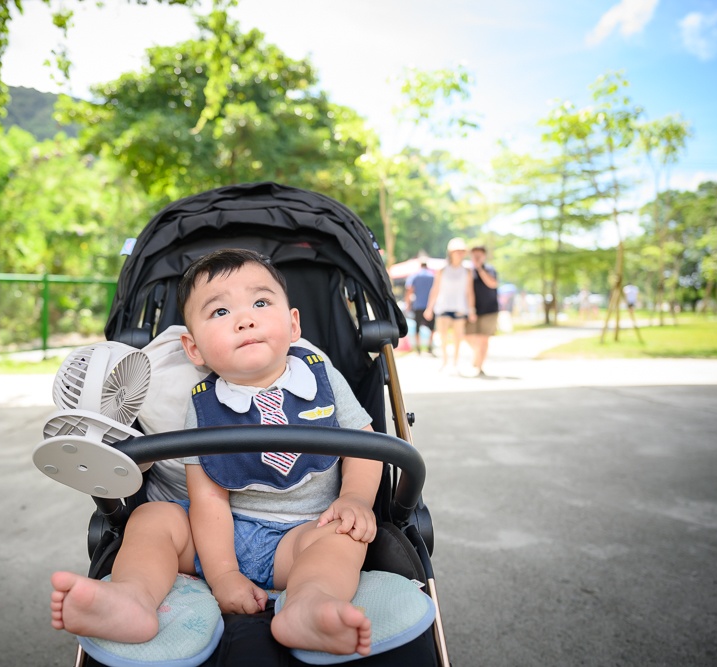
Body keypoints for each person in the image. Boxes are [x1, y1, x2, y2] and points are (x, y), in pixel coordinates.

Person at [50, 248, 381, 658]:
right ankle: (131, 597)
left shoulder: (322, 375)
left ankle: (307, 605)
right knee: (153, 518)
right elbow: (207, 497)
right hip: (215, 535)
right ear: (195, 350)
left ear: (293, 324)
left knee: (343, 536)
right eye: (220, 313)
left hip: (301, 535)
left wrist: (355, 499)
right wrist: (223, 574)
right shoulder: (203, 403)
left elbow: (365, 447)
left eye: (261, 303)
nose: (245, 319)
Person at [423, 238, 475, 374]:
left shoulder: (467, 271)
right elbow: (435, 290)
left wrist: (471, 310)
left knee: (458, 338)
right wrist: (429, 308)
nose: (460, 254)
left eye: (462, 251)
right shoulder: (442, 270)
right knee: (443, 337)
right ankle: (445, 361)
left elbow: (469, 292)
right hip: (443, 307)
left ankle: (455, 363)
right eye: (457, 251)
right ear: (451, 252)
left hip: (460, 308)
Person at [465, 245, 498, 377]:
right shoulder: (467, 271)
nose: (477, 258)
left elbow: (492, 284)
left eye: (479, 255)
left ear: (484, 256)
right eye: (474, 255)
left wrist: (480, 269)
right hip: (472, 309)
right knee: (468, 336)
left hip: (490, 309)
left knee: (484, 339)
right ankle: (478, 355)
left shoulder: (489, 269)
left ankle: (480, 366)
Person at [403, 260, 435, 355]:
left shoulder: (415, 276)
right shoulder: (433, 276)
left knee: (417, 327)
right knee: (432, 327)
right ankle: (429, 346)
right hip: (431, 306)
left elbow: (409, 290)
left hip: (418, 305)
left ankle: (418, 348)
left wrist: (408, 304)